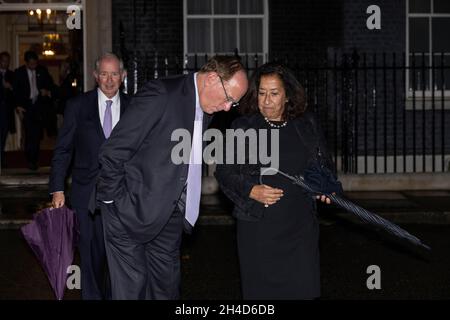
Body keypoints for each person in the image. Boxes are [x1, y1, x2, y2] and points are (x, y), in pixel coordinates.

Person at [95, 55, 248, 300]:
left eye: (234, 103)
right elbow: (114, 150)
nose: (228, 107)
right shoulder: (161, 95)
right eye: (229, 98)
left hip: (169, 215)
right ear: (211, 79)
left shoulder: (208, 107)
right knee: (131, 291)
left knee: (166, 290)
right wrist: (114, 202)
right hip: (129, 211)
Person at [215, 62, 337, 300]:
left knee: (302, 290)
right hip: (258, 229)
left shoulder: (306, 125)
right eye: (261, 93)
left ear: (288, 96)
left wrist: (326, 187)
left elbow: (324, 168)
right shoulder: (244, 126)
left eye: (274, 93)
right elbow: (224, 172)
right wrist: (251, 190)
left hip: (300, 228)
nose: (266, 100)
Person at [49, 53, 128, 300]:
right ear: (95, 76)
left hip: (123, 195)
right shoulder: (77, 106)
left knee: (116, 256)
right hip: (86, 194)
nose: (109, 79)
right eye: (104, 74)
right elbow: (63, 150)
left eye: (114, 73)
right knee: (89, 254)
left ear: (123, 77)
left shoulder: (134, 107)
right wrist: (57, 188)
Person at [13, 50, 54, 170]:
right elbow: (15, 91)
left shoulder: (42, 70)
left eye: (35, 63)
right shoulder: (19, 73)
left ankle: (34, 159)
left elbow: (50, 84)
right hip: (26, 107)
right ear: (26, 63)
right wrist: (17, 106)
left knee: (37, 134)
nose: (33, 66)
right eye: (31, 64)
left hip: (39, 106)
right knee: (29, 134)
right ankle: (30, 159)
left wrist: (46, 91)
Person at [0, 51, 15, 168]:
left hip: (6, 110)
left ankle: (2, 156)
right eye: (4, 60)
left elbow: (16, 91)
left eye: (7, 61)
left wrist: (10, 87)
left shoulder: (11, 74)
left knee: (4, 134)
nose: (6, 63)